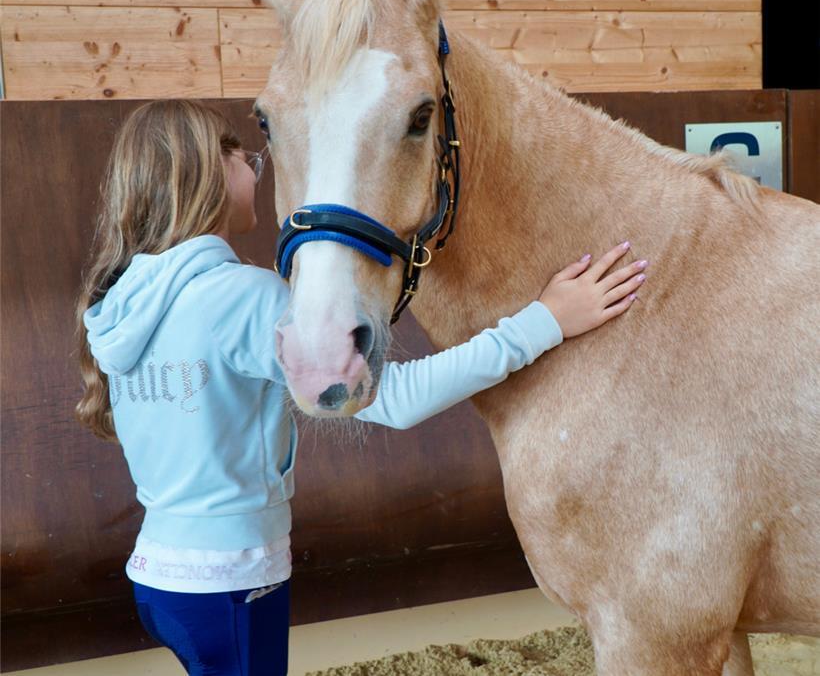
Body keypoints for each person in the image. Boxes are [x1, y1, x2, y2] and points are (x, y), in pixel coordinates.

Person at [76, 99, 648, 676]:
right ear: (206, 174)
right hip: (230, 577)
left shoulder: (121, 302)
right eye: (244, 157)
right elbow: (391, 399)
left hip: (157, 578)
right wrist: (544, 322)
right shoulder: (242, 298)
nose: (256, 169)